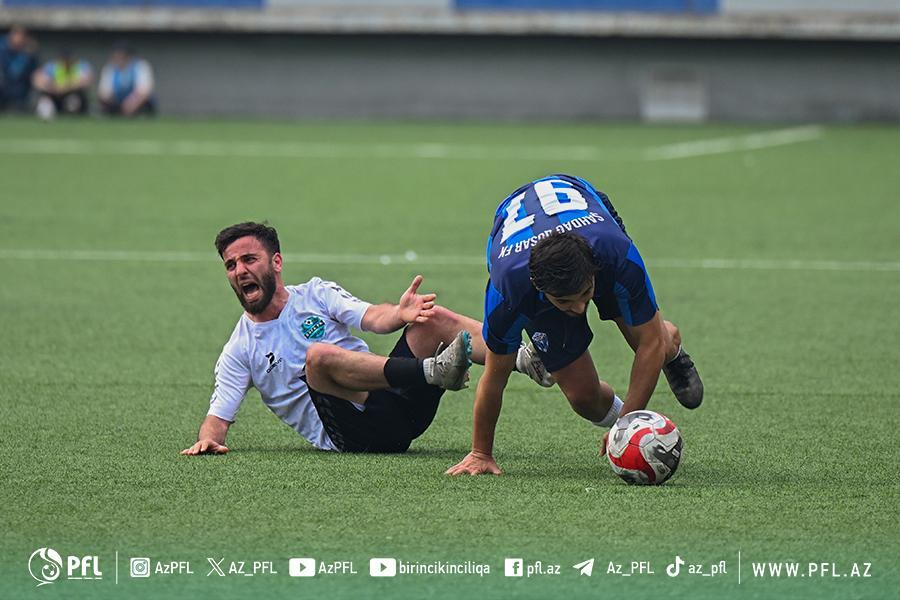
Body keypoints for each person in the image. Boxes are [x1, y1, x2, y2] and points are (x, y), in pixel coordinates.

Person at [182, 222, 547, 456]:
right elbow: (218, 417)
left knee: (430, 319)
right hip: (356, 435)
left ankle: (523, 358)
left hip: (399, 403)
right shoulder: (240, 348)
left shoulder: (315, 293)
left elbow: (372, 317)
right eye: (231, 265)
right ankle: (432, 372)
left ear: (276, 262)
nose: (240, 270)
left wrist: (401, 313)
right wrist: (209, 439)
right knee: (318, 357)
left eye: (249, 259)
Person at [446, 174, 703, 476]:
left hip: (587, 214)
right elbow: (494, 375)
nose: (580, 308)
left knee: (649, 339)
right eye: (564, 301)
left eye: (585, 294)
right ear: (540, 290)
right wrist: (480, 453)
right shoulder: (509, 293)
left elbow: (649, 344)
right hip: (521, 246)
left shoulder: (616, 255)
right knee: (583, 398)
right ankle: (658, 351)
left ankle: (669, 344)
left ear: (595, 271)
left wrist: (625, 425)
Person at [97, 43, 155, 117]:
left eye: (121, 56)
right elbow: (104, 93)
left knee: (147, 103)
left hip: (138, 103)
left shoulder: (140, 66)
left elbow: (144, 91)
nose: (118, 59)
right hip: (118, 102)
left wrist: (132, 103)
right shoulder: (110, 69)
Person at [32, 49, 93, 118]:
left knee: (73, 100)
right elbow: (37, 80)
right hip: (55, 96)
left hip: (72, 95)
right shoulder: (52, 66)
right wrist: (52, 87)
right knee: (45, 101)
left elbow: (86, 81)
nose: (66, 62)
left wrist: (65, 87)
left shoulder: (80, 66)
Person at [0, 25, 39, 113]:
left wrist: (29, 55)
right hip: (3, 87)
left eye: (23, 37)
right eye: (18, 36)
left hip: (20, 90)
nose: (20, 40)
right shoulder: (2, 47)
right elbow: (11, 72)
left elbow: (33, 72)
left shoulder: (29, 51)